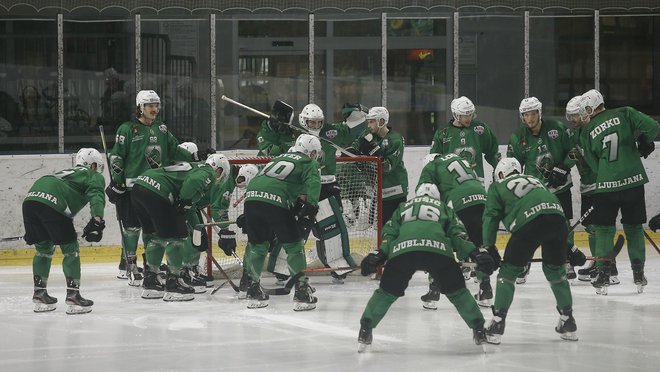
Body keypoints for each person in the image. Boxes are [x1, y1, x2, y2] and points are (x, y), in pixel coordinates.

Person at [356, 183, 495, 352]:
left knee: (386, 292)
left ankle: (365, 329)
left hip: (403, 250)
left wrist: (380, 253)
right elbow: (458, 234)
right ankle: (479, 329)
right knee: (458, 292)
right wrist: (475, 252)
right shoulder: (444, 207)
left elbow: (389, 233)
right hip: (438, 250)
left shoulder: (403, 207)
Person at [105, 89, 212, 285]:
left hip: (154, 188)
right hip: (132, 187)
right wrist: (117, 181)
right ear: (140, 107)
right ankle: (128, 264)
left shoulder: (161, 128)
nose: (154, 109)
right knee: (131, 228)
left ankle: (149, 268)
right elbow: (117, 156)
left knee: (151, 231)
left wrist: (196, 156)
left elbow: (174, 150)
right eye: (150, 105)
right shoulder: (127, 129)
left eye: (156, 105)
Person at [482, 158, 578, 344]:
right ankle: (568, 320)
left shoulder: (497, 186)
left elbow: (491, 216)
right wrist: (570, 247)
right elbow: (548, 213)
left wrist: (488, 246)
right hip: (558, 219)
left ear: (500, 174)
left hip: (528, 222)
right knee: (555, 271)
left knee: (508, 272)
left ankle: (497, 324)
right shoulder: (536, 181)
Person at [578, 89, 659, 294]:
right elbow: (653, 127)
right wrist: (644, 141)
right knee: (634, 228)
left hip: (606, 186)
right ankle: (639, 274)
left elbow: (592, 162)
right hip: (633, 181)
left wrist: (607, 173)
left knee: (604, 230)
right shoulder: (625, 112)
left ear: (590, 107)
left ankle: (604, 275)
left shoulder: (587, 130)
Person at [132, 153, 230, 301]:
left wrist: (198, 228)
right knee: (177, 239)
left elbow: (189, 210)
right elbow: (194, 182)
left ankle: (150, 281)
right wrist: (185, 199)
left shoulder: (193, 167)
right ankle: (174, 283)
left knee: (155, 238)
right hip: (159, 191)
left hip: (140, 186)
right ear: (219, 170)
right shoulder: (207, 170)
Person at [242, 133, 322, 311]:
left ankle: (253, 289)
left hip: (251, 197)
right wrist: (311, 206)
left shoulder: (278, 158)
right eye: (315, 153)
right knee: (294, 247)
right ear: (311, 153)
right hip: (276, 201)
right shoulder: (309, 163)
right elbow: (313, 183)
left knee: (258, 246)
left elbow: (268, 182)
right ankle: (301, 291)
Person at [23, 148, 106, 314]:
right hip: (54, 201)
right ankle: (73, 296)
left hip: (31, 199)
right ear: (94, 165)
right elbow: (96, 194)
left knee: (43, 249)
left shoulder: (67, 173)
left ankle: (40, 294)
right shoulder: (93, 175)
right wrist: (97, 220)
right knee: (71, 250)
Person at [507, 97, 577, 283]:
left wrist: (564, 167)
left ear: (539, 112)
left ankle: (566, 259)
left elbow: (576, 150)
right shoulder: (517, 137)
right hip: (534, 192)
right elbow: (512, 166)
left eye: (532, 114)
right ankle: (524, 261)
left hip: (560, 189)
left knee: (564, 226)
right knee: (529, 228)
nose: (529, 119)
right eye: (525, 115)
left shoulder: (558, 129)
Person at [418, 152, 500, 309]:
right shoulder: (459, 160)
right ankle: (485, 289)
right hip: (482, 197)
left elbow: (425, 195)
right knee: (479, 244)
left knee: (439, 241)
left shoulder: (431, 166)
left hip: (458, 201)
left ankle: (433, 291)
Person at [348, 106, 408, 225]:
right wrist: (353, 154)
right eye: (368, 122)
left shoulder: (396, 139)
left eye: (371, 122)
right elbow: (355, 147)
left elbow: (388, 167)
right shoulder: (368, 133)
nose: (368, 125)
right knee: (380, 230)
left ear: (381, 121)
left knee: (394, 228)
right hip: (379, 191)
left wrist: (375, 152)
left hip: (395, 191)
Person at [564, 96, 602, 283]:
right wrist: (562, 167)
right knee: (590, 226)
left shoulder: (594, 130)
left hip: (600, 185)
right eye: (569, 116)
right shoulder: (575, 133)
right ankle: (599, 263)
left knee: (597, 227)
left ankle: (603, 266)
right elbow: (574, 153)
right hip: (587, 186)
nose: (572, 119)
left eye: (575, 115)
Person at [430, 96, 501, 185]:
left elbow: (492, 152)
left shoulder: (480, 128)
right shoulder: (443, 132)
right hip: (451, 184)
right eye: (465, 115)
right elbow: (435, 159)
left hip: (477, 182)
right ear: (456, 115)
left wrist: (499, 167)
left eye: (470, 114)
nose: (469, 118)